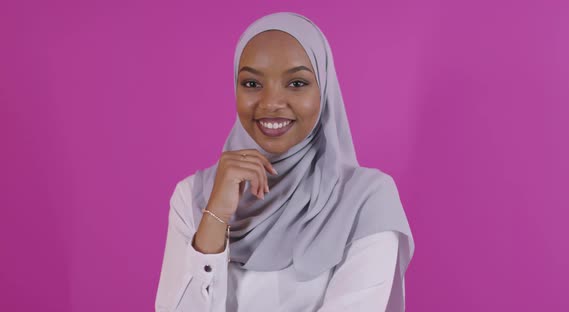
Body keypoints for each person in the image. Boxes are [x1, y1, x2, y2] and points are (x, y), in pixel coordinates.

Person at [155, 12, 415, 312]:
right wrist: (216, 216)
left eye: (296, 83)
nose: (271, 103)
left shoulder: (365, 201)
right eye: (252, 83)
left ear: (324, 90)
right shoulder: (192, 197)